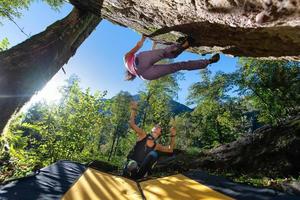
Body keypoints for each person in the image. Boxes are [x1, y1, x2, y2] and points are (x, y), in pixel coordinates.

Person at [124, 35, 220, 81]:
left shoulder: (135, 73)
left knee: (178, 66)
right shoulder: (125, 60)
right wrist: (143, 38)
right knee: (165, 53)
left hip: (145, 76)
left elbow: (140, 48)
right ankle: (182, 44)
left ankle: (208, 61)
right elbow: (138, 46)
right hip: (139, 61)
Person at [123, 101, 176, 179]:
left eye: (159, 127)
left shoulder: (156, 146)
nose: (157, 126)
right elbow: (132, 124)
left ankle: (142, 175)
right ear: (152, 129)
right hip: (130, 166)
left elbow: (170, 150)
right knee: (133, 164)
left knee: (153, 154)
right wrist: (134, 109)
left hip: (141, 170)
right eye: (156, 126)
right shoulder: (143, 135)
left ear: (159, 133)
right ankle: (130, 174)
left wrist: (173, 135)